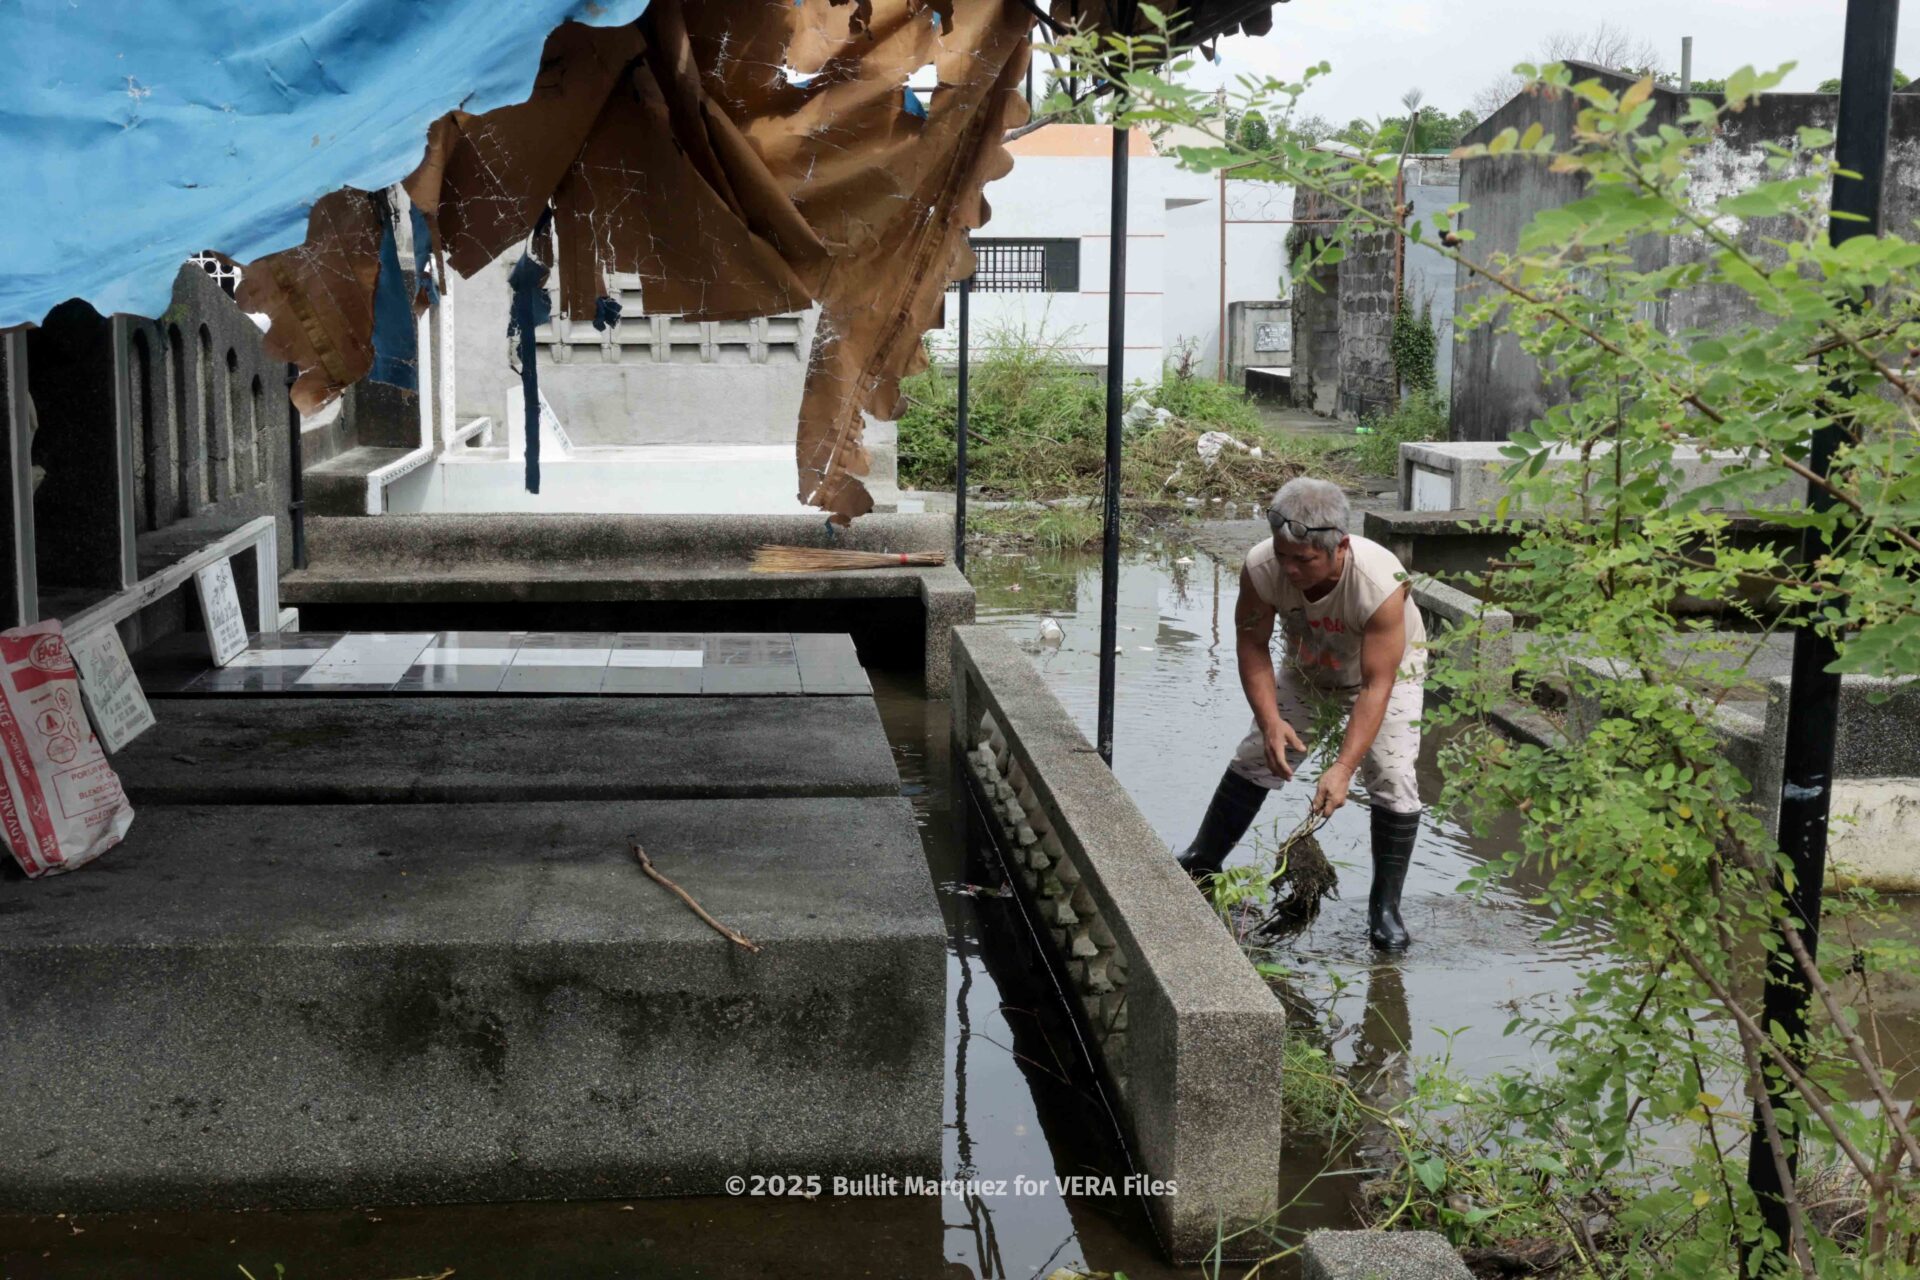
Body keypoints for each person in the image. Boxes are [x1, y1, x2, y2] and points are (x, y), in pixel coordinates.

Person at [1177, 477, 1428, 950]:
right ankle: (1203, 860)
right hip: (1311, 664)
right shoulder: (1260, 567)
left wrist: (1342, 767)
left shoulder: (1380, 583)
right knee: (1258, 753)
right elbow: (1251, 644)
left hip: (1386, 674)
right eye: (1283, 555)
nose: (1289, 569)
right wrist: (1271, 721)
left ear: (1340, 548)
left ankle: (1384, 907)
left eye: (1304, 560)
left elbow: (1377, 685)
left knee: (1392, 777)